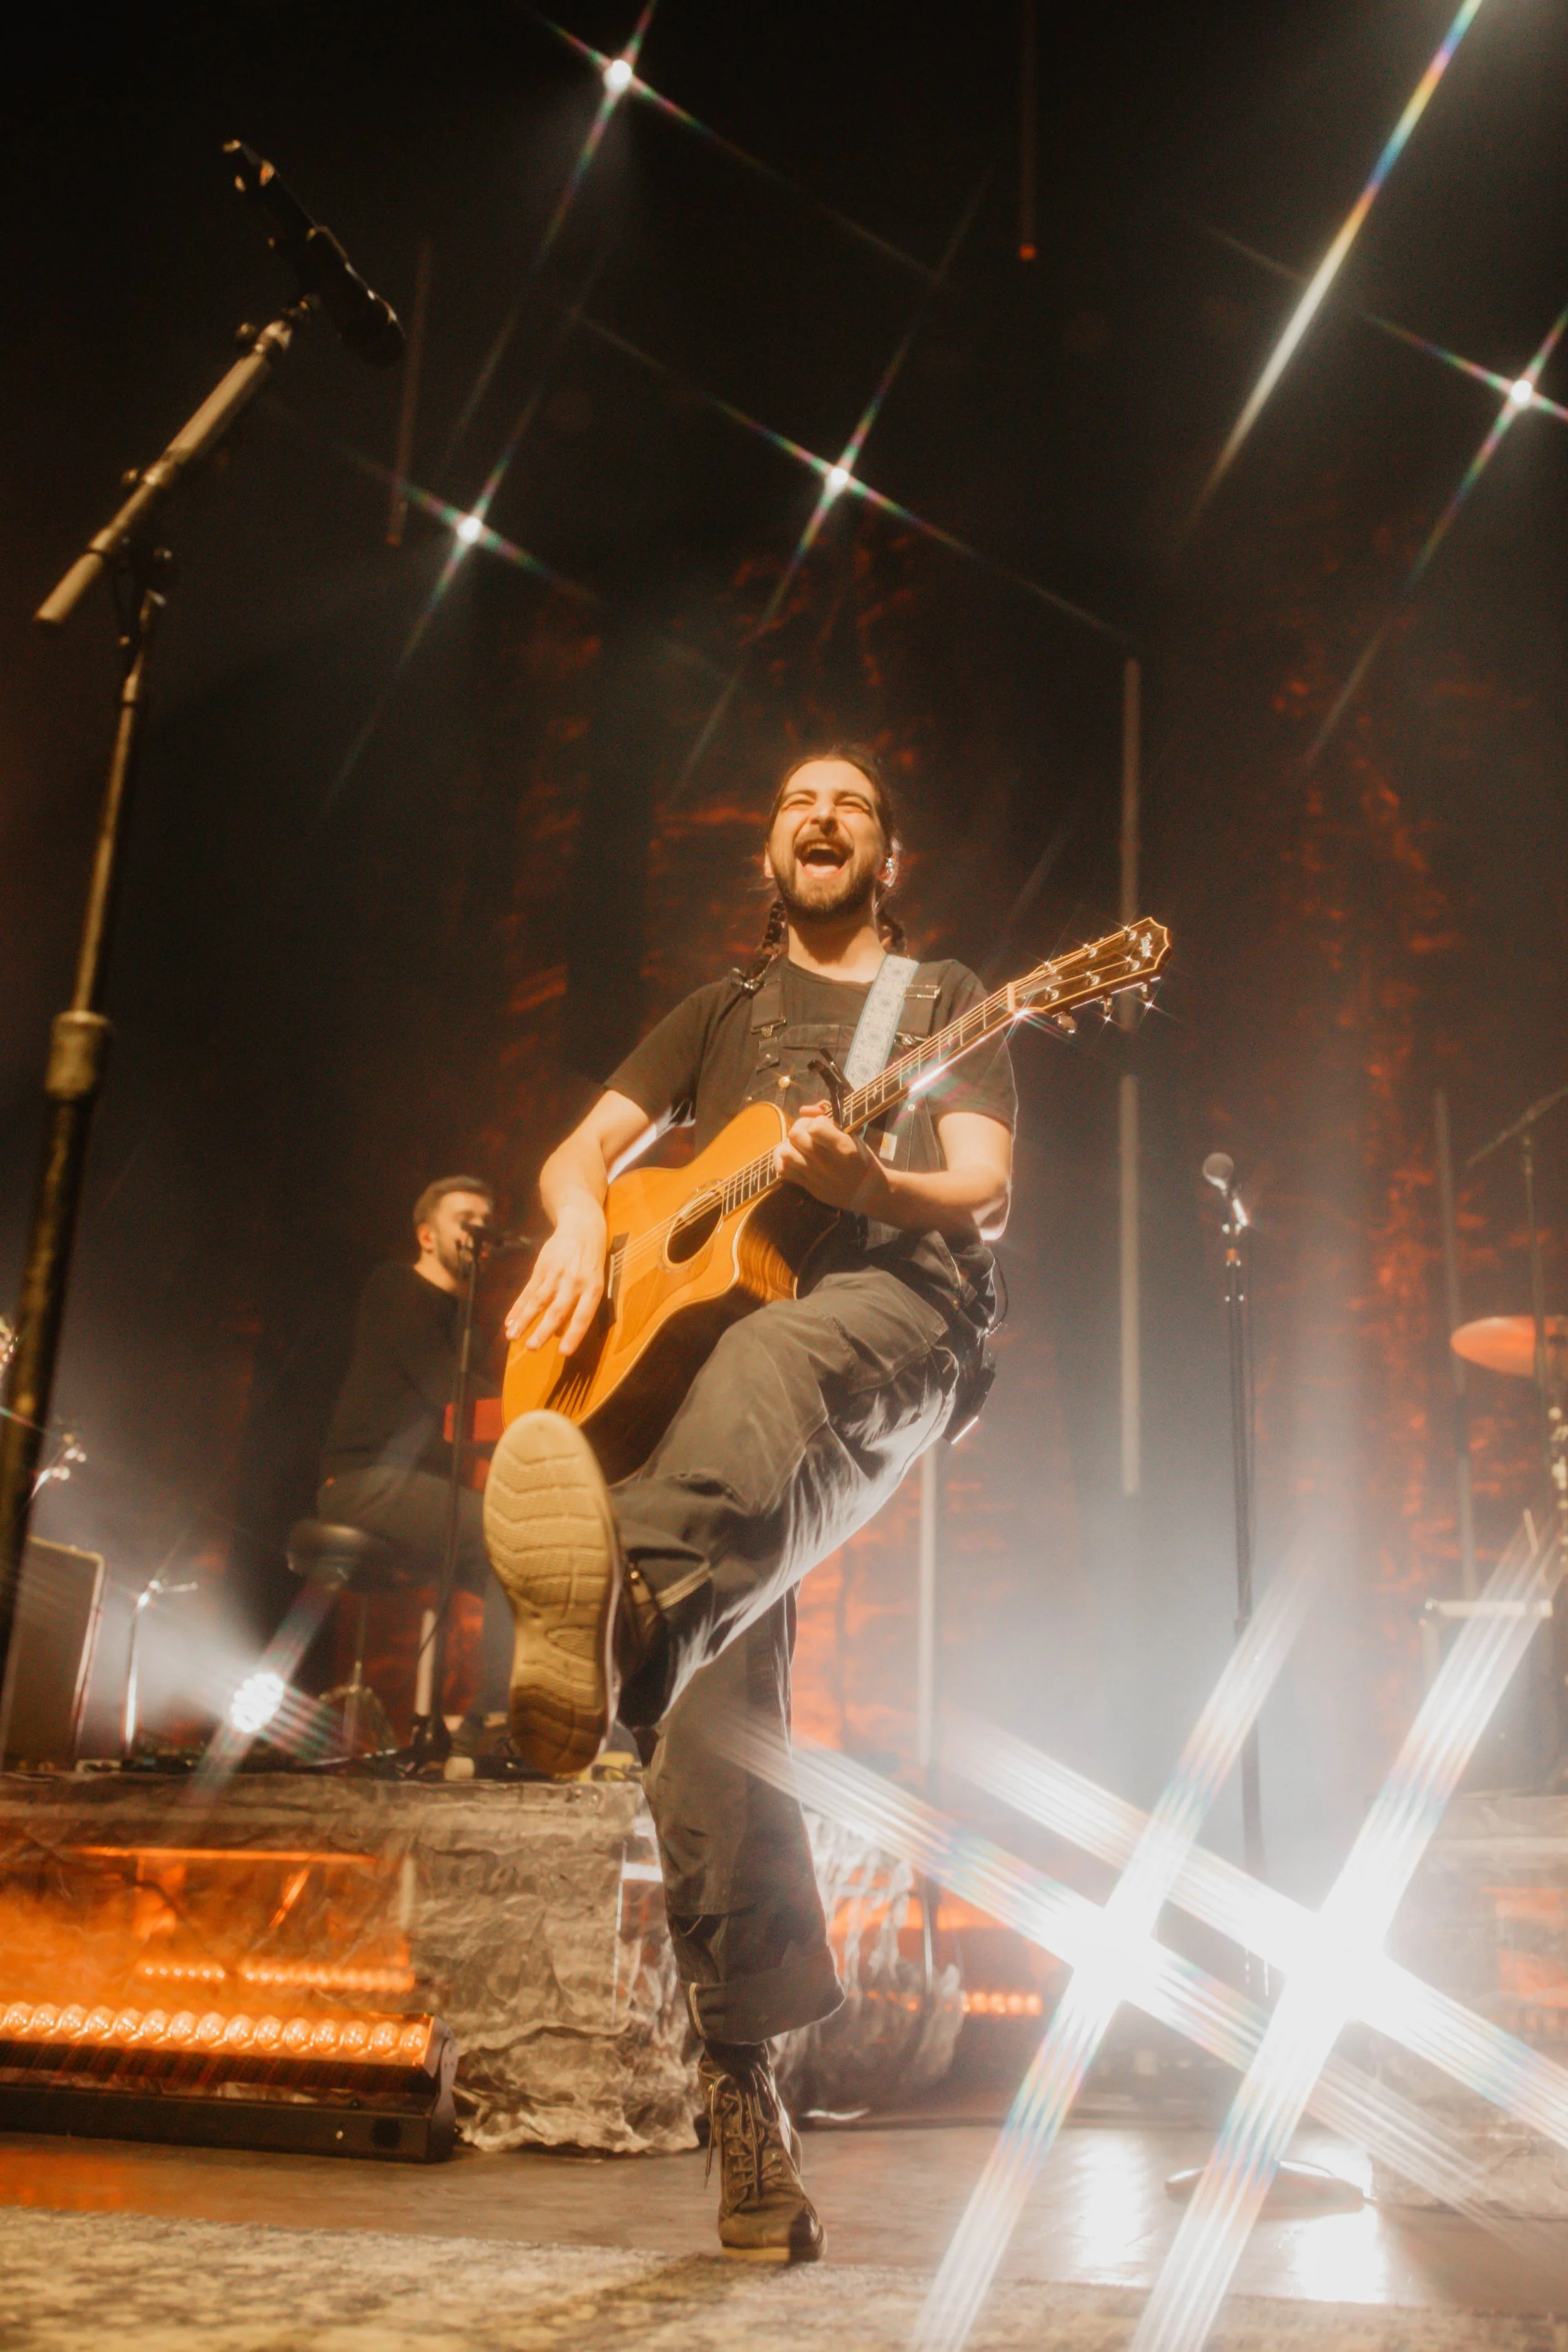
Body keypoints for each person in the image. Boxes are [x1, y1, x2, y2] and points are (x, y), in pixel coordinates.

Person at [485, 747, 1016, 2262]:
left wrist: (867, 1180)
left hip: (894, 1323)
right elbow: (580, 1149)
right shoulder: (715, 1012)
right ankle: (750, 2098)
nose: (822, 812)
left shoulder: (941, 995)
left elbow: (979, 1177)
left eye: (850, 799)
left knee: (773, 1357)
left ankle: (624, 1608)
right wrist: (588, 1227)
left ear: (887, 854)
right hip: (714, 1390)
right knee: (709, 1734)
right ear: (770, 852)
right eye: (797, 799)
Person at [319, 1177, 512, 1753]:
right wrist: (546, 1418)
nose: (479, 1231)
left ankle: (500, 1722)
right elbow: (448, 1397)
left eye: (487, 1220)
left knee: (525, 1570)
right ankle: (498, 1724)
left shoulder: (468, 1325)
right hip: (361, 1482)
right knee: (507, 1539)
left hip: (419, 1487)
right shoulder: (395, 1288)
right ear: (426, 1235)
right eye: (465, 1219)